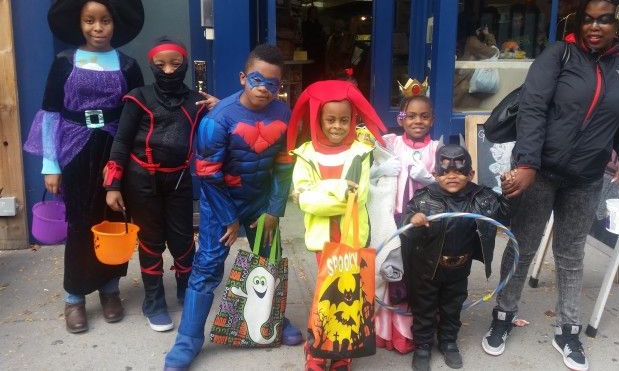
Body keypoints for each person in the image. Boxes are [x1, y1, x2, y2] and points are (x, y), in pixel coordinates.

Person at [481, 0, 619, 371]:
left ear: (618, 23)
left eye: (604, 19)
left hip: (585, 179)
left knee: (570, 256)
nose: (595, 26)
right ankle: (502, 316)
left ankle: (568, 329)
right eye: (588, 18)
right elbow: (532, 110)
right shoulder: (559, 56)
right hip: (542, 174)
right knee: (523, 246)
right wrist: (528, 164)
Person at [164, 44, 302, 370]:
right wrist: (228, 218)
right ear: (243, 78)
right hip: (220, 204)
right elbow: (207, 175)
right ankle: (189, 338)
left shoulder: (283, 114)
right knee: (208, 266)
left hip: (261, 203)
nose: (264, 89)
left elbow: (284, 166)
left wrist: (274, 210)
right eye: (257, 80)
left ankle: (272, 319)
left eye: (273, 84)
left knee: (268, 262)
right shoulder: (219, 119)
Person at [23, 0, 144, 334]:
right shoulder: (64, 63)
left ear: (115, 23)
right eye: (89, 20)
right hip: (74, 149)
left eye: (104, 20)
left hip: (113, 150)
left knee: (110, 220)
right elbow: (50, 115)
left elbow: (137, 115)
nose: (97, 28)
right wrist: (50, 164)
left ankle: (109, 289)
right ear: (79, 23)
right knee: (79, 224)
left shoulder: (128, 65)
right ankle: (74, 296)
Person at [103, 37, 218, 332]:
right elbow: (121, 141)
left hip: (179, 178)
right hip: (141, 180)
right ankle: (153, 300)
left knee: (182, 239)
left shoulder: (198, 101)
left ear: (186, 65)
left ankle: (185, 289)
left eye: (175, 64)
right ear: (152, 66)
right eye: (161, 64)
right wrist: (113, 185)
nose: (168, 70)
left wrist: (219, 107)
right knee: (151, 240)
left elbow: (228, 121)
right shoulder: (138, 97)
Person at [287, 80, 387, 371]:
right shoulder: (305, 154)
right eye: (330, 119)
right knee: (324, 296)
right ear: (318, 118)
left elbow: (360, 196)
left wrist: (324, 191)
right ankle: (318, 352)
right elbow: (304, 199)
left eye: (344, 120)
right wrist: (342, 190)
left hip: (352, 238)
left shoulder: (361, 152)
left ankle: (342, 355)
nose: (337, 126)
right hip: (322, 240)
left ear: (353, 119)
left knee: (347, 297)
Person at [402, 144, 509, 371]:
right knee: (424, 307)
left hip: (459, 268)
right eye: (445, 172)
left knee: (452, 306)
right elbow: (405, 229)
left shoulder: (482, 197)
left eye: (459, 171)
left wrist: (508, 193)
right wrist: (414, 220)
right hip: (427, 269)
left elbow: (504, 218)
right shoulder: (423, 198)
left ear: (470, 173)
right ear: (434, 175)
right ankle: (422, 345)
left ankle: (448, 342)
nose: (452, 176)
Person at [370, 94, 440, 354]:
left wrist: (429, 179)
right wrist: (378, 171)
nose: (417, 121)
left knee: (419, 277)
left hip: (424, 224)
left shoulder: (437, 149)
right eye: (411, 116)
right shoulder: (390, 144)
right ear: (401, 118)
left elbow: (449, 185)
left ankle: (415, 332)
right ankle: (390, 333)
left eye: (424, 116)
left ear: (432, 119)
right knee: (393, 275)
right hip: (393, 221)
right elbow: (364, 175)